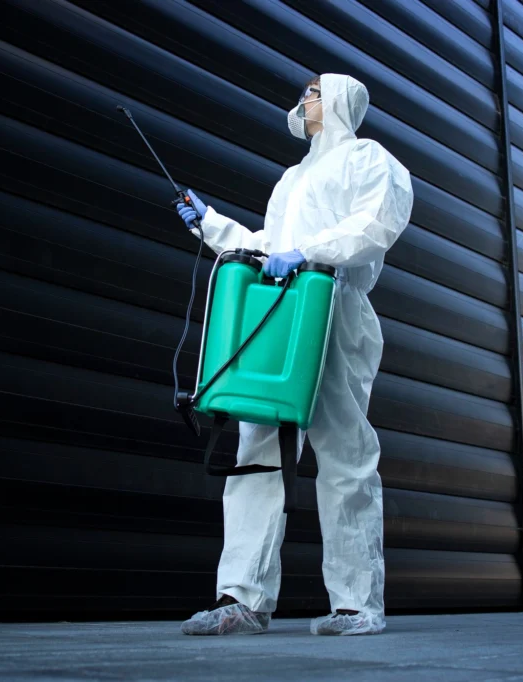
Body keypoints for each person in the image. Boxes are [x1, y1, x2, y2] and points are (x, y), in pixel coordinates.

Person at [174, 73, 414, 636]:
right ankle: (242, 598)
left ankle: (357, 604)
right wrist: (211, 225)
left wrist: (308, 252)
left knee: (344, 451)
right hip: (285, 313)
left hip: (334, 306)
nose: (303, 100)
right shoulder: (292, 178)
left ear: (338, 100)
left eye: (313, 92)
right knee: (256, 449)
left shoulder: (368, 159)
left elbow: (375, 225)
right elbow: (270, 247)